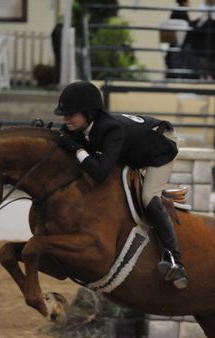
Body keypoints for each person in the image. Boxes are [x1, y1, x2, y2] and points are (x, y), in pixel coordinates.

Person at [54, 81, 189, 289]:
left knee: (148, 197)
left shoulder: (111, 129)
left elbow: (100, 174)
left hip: (161, 147)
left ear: (88, 114)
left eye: (71, 114)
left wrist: (76, 150)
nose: (65, 119)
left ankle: (174, 259)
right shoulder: (79, 127)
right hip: (134, 148)